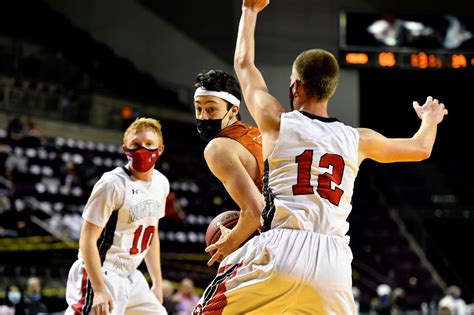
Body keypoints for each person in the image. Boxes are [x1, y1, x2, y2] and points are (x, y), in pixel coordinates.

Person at [193, 0, 448, 313]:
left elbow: (244, 65)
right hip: (335, 264)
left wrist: (249, 11)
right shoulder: (359, 139)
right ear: (330, 90)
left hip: (282, 249)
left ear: (295, 87)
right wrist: (430, 120)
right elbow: (420, 148)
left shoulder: (276, 121)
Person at [65, 117, 169, 315]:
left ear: (160, 149)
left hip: (131, 275)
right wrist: (99, 288)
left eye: (149, 144)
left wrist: (157, 281)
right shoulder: (112, 184)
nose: (143, 149)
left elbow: (152, 234)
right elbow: (87, 239)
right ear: (125, 149)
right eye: (136, 145)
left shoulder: (161, 183)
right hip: (101, 272)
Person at [193, 69, 264, 265]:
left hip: (277, 241)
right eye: (198, 109)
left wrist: (230, 243)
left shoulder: (218, 148)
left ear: (233, 110)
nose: (203, 117)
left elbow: (256, 211)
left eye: (211, 109)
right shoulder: (259, 133)